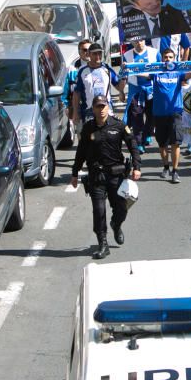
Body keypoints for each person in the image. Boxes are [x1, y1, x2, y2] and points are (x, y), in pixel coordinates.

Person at [70, 95, 141, 259]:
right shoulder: (88, 128)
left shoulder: (118, 125)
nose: (101, 110)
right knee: (99, 211)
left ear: (108, 107)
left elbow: (133, 146)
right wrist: (75, 173)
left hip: (116, 176)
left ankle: (116, 225)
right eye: (98, 107)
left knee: (121, 209)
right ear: (93, 109)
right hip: (96, 176)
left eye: (103, 106)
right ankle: (103, 243)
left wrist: (137, 167)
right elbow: (80, 152)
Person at [151, 47, 191, 183]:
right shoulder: (156, 73)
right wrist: (128, 67)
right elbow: (141, 73)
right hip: (159, 114)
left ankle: (175, 171)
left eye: (170, 57)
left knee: (175, 143)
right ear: (162, 59)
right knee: (162, 144)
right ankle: (166, 166)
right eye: (165, 57)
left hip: (175, 113)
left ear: (174, 59)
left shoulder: (178, 73)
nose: (167, 59)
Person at [72, 42, 125, 130]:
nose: (98, 56)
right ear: (89, 54)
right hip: (89, 111)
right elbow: (76, 93)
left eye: (99, 53)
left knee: (108, 137)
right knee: (92, 139)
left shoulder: (107, 69)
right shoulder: (82, 71)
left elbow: (119, 87)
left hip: (107, 110)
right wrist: (75, 113)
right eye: (95, 54)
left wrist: (124, 76)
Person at [122, 38, 159, 151]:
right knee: (136, 117)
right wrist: (121, 91)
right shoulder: (127, 55)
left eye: (141, 40)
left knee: (151, 116)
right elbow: (123, 75)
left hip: (151, 89)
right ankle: (139, 143)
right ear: (132, 42)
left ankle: (147, 135)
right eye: (136, 41)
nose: (139, 43)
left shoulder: (154, 52)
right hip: (135, 90)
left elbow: (160, 70)